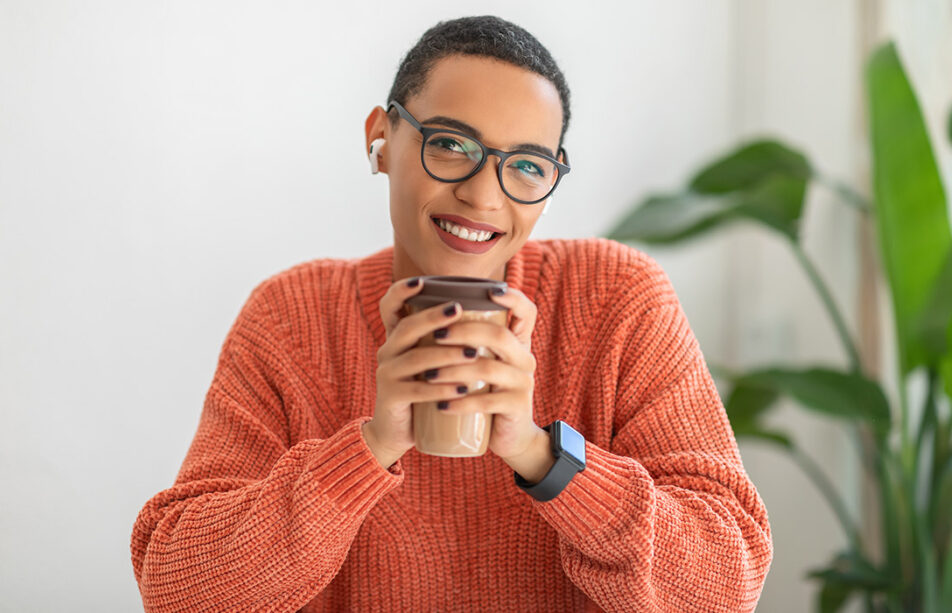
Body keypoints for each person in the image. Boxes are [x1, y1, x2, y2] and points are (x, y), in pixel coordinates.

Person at [130, 15, 773, 612]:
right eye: (451, 145)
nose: (482, 194)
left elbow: (727, 582)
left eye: (526, 166)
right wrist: (369, 447)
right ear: (381, 138)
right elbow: (179, 587)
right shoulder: (293, 318)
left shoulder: (615, 299)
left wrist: (542, 456)